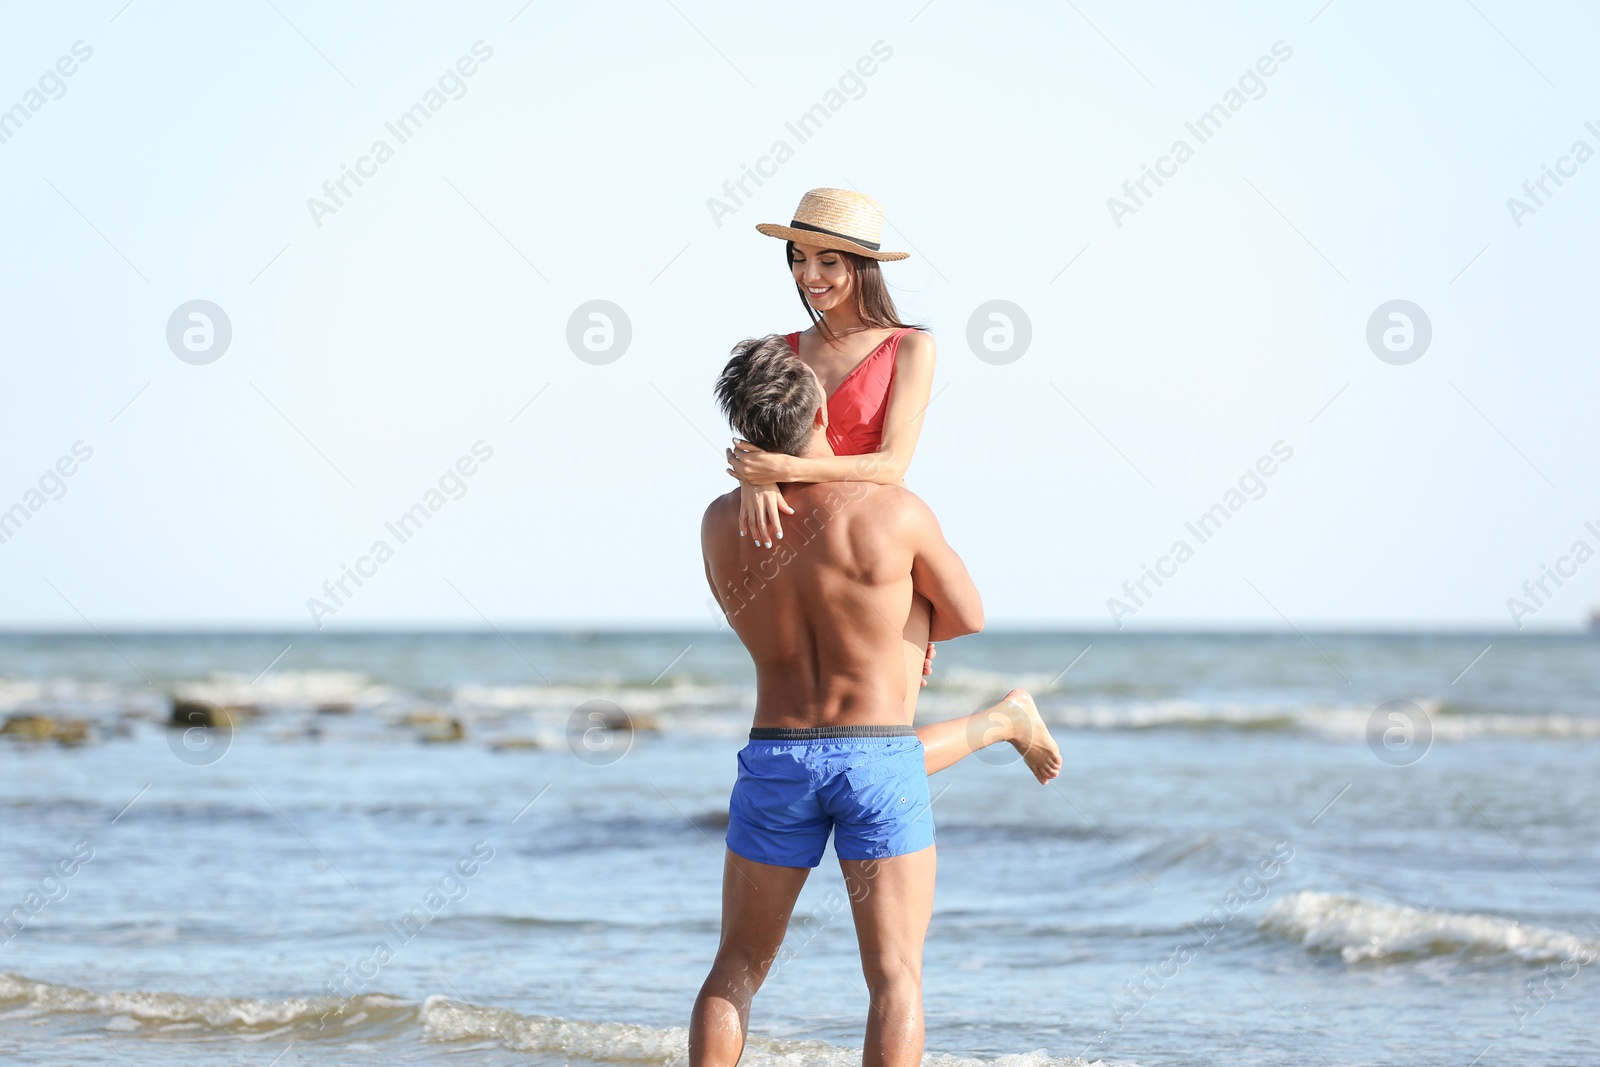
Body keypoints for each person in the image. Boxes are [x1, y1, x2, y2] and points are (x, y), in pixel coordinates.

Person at [692, 334, 996, 1067]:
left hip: (776, 751)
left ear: (744, 432)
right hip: (878, 754)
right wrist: (901, 626)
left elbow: (747, 617)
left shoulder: (719, 523)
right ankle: (1001, 723)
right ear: (823, 405)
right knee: (894, 976)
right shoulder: (894, 511)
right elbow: (968, 616)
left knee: (735, 967)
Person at [727, 187, 1060, 783]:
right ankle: (1004, 721)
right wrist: (756, 477)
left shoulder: (911, 347)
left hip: (881, 548)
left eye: (828, 261)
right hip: (808, 553)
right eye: (800, 258)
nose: (810, 275)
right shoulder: (782, 349)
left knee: (882, 755)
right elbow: (760, 433)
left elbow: (891, 464)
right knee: (846, 744)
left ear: (863, 266)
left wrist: (780, 470)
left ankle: (1008, 720)